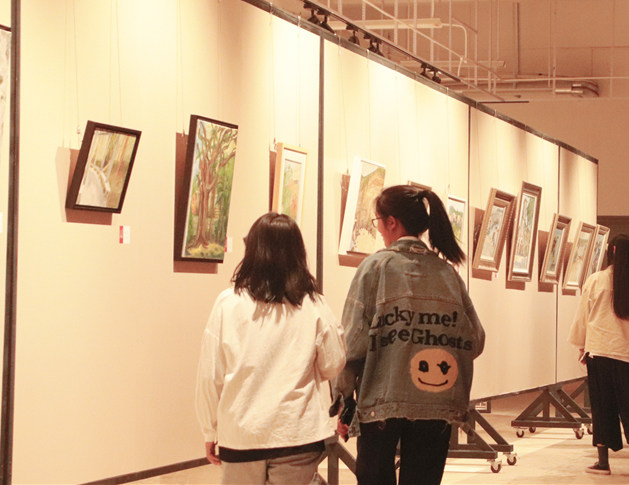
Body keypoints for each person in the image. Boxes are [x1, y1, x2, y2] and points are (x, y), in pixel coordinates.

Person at [333, 185, 485, 485]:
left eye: (378, 221)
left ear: (392, 222)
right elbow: (475, 340)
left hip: (381, 403)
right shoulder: (447, 274)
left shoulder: (374, 268)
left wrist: (344, 399)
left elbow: (352, 344)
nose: (379, 230)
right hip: (437, 403)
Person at [195, 213, 347, 484]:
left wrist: (210, 429)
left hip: (241, 436)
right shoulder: (313, 303)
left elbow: (210, 376)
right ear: (298, 253)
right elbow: (333, 363)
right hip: (297, 433)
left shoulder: (228, 304)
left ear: (252, 250)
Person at [569, 234, 629, 477]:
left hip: (599, 350)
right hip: (626, 353)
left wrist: (582, 345)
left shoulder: (596, 280)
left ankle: (603, 462)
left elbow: (584, 316)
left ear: (612, 250)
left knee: (602, 406)